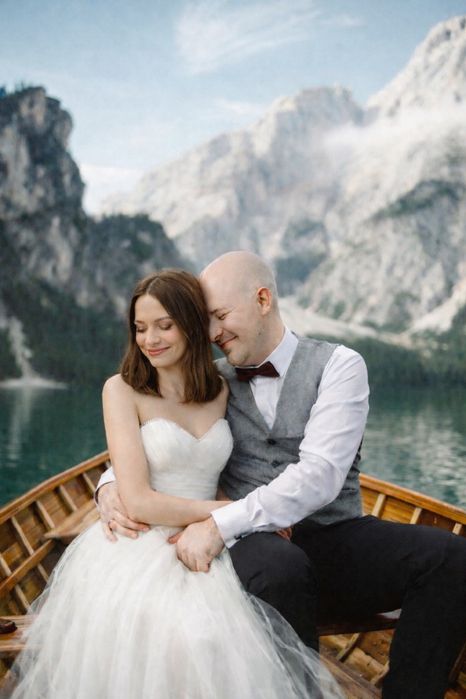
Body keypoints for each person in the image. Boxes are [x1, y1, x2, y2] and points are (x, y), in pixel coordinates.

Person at [98, 251, 466, 699]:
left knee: (449, 557)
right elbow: (163, 446)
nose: (212, 334)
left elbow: (320, 475)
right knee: (281, 569)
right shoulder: (211, 381)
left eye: (220, 317)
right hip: (255, 542)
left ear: (263, 300)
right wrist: (108, 486)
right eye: (206, 322)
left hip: (332, 533)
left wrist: (219, 523)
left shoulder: (339, 365)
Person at [6, 269, 343, 699]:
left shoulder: (222, 388)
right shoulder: (121, 390)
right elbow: (139, 502)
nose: (150, 339)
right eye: (140, 328)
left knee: (222, 640)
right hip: (141, 541)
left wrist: (228, 517)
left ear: (190, 325)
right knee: (175, 638)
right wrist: (236, 513)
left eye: (164, 325)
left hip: (208, 540)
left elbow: (223, 470)